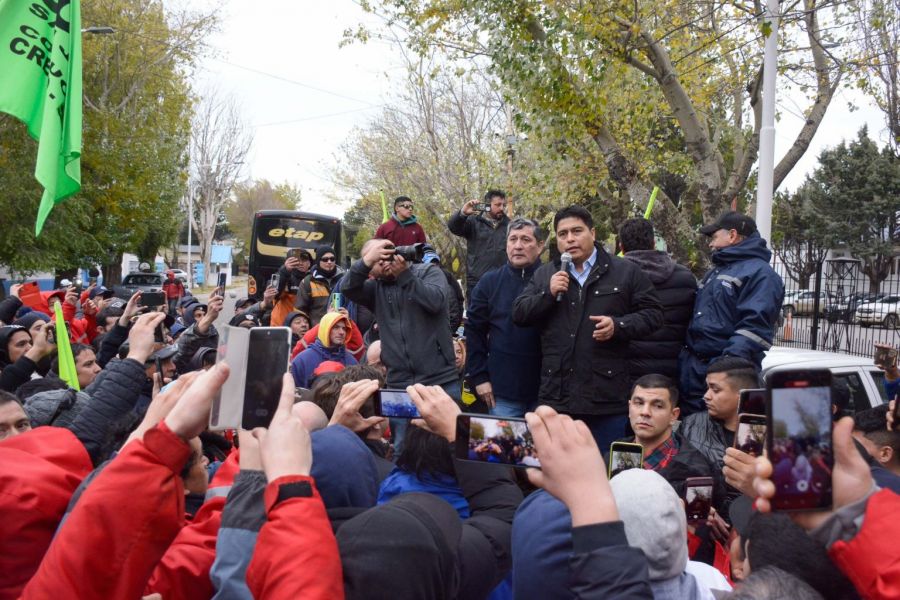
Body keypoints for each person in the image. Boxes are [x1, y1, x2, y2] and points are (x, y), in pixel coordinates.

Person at [512, 205, 663, 450]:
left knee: (605, 474)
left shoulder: (625, 271)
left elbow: (654, 315)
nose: (570, 239)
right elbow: (519, 313)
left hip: (605, 398)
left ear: (592, 233)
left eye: (576, 231)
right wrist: (547, 295)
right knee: (559, 473)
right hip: (558, 397)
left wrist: (619, 325)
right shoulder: (546, 274)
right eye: (562, 234)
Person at [680, 211, 784, 414]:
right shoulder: (717, 271)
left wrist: (724, 365)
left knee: (724, 440)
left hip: (726, 377)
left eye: (714, 236)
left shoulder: (761, 275)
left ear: (733, 235)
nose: (710, 243)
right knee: (693, 435)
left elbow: (754, 327)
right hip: (697, 372)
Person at [465, 217, 544, 416]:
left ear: (540, 246)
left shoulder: (552, 278)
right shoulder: (489, 282)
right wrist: (480, 377)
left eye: (526, 240)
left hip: (546, 392)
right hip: (503, 392)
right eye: (513, 239)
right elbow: (474, 332)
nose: (518, 246)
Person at [617, 217, 697, 383]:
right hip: (673, 368)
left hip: (627, 369)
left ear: (621, 247)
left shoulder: (614, 278)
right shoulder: (685, 277)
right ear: (653, 243)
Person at [680, 356, 759, 512]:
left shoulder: (772, 433)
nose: (706, 395)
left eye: (715, 389)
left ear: (742, 394)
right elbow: (678, 477)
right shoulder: (691, 425)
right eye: (707, 388)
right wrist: (698, 508)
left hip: (751, 523)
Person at [621, 374, 715, 497]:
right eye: (638, 403)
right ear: (629, 408)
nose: (645, 412)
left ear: (674, 415)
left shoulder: (696, 472)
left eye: (658, 406)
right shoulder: (614, 455)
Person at [447, 190, 511, 303]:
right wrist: (463, 213)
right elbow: (453, 227)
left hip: (502, 282)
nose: (501, 208)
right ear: (487, 205)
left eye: (503, 205)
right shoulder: (473, 222)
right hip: (477, 282)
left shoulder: (509, 225)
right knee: (477, 318)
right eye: (497, 205)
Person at [290, 312, 358, 389]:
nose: (342, 332)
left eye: (344, 328)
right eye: (336, 327)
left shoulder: (351, 361)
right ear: (325, 329)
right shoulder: (302, 360)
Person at [295, 245, 344, 326]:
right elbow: (300, 311)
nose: (329, 262)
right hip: (317, 331)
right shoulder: (307, 282)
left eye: (332, 259)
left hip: (340, 330)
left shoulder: (344, 280)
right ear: (318, 261)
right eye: (325, 259)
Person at [421, 244, 464, 332]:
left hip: (443, 330)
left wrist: (450, 332)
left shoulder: (446, 278)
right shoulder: (417, 277)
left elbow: (457, 304)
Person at [269, 249, 313, 328]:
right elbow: (273, 293)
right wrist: (284, 270)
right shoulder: (282, 275)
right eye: (296, 260)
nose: (300, 263)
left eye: (304, 260)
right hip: (282, 327)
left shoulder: (314, 280)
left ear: (309, 263)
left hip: (304, 328)